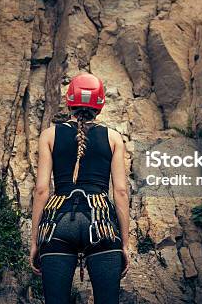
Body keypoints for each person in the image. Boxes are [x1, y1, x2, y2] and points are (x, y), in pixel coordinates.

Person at [29, 72, 130, 304]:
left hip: (57, 222)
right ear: (100, 105)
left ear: (69, 101)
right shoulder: (114, 138)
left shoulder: (49, 135)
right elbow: (121, 192)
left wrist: (34, 241)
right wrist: (124, 243)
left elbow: (42, 190)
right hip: (101, 222)